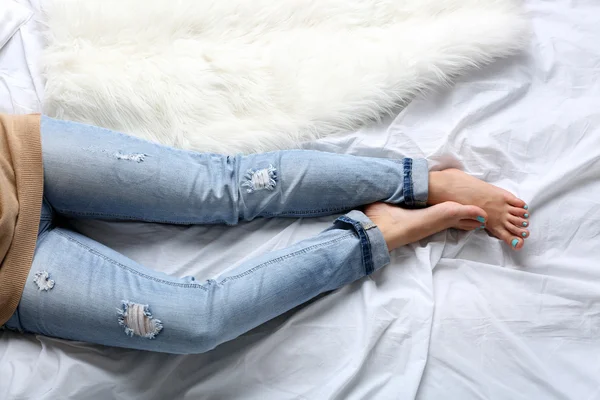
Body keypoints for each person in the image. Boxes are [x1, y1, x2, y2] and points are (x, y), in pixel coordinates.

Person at [0, 114, 530, 354]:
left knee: (223, 185)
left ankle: (421, 180)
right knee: (194, 324)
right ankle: (374, 236)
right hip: (14, 277)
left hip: (16, 158)